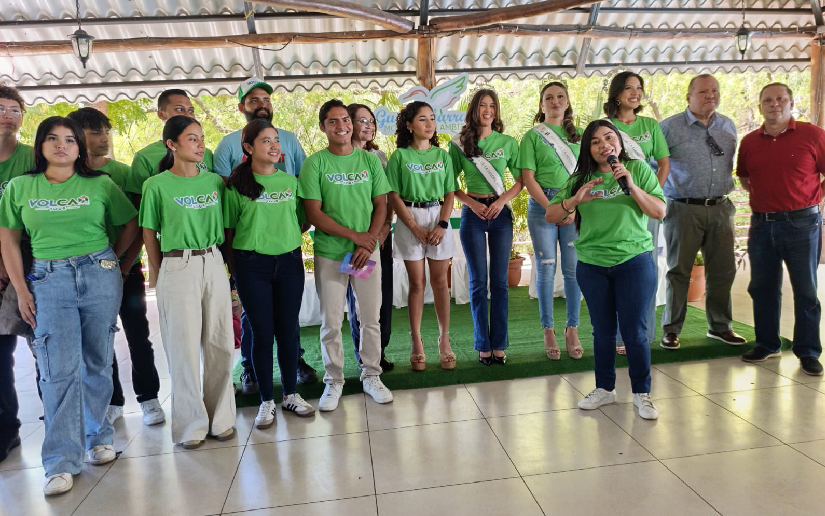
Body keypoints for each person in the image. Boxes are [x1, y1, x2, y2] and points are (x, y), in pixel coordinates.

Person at [0, 116, 138, 494]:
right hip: (48, 280)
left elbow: (130, 223)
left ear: (79, 147)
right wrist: (22, 290)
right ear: (40, 145)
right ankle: (61, 460)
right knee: (57, 368)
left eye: (69, 140)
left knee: (97, 359)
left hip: (98, 274)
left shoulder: (101, 184)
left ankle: (99, 436)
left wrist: (114, 263)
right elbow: (8, 239)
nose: (61, 145)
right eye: (52, 138)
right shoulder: (21, 186)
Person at [545, 119, 666, 420]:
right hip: (593, 265)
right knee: (602, 331)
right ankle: (605, 388)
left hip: (634, 261)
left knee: (634, 331)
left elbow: (659, 211)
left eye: (609, 138)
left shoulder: (637, 170)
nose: (604, 145)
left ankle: (641, 392)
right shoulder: (581, 178)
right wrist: (575, 199)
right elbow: (551, 214)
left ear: (620, 143)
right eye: (596, 141)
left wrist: (631, 186)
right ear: (588, 149)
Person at [139, 116, 237, 449]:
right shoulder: (156, 185)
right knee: (182, 348)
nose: (200, 145)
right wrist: (160, 271)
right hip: (177, 264)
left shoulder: (214, 182)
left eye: (202, 138)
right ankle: (191, 424)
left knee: (220, 342)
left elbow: (228, 225)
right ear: (172, 144)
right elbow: (149, 232)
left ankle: (221, 417)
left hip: (213, 261)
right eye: (192, 139)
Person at [213, 78, 316, 391]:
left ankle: (293, 367)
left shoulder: (290, 143)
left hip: (287, 254)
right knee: (256, 323)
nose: (262, 104)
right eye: (254, 99)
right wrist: (234, 263)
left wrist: (285, 230)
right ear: (241, 106)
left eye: (266, 99)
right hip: (249, 257)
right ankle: (251, 371)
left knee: (287, 321)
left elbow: (301, 195)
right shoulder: (228, 146)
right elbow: (228, 209)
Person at [66, 107, 166, 426]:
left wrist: (121, 265)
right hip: (86, 274)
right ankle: (112, 401)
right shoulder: (66, 176)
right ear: (76, 136)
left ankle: (149, 398)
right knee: (98, 340)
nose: (104, 138)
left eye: (106, 131)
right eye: (95, 131)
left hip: (127, 271)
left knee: (138, 334)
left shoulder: (123, 173)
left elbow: (139, 224)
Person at [297, 99, 394, 411]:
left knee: (369, 317)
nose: (342, 126)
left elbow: (381, 205)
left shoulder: (369, 161)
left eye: (345, 120)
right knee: (331, 320)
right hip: (331, 253)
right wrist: (356, 238)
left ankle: (371, 375)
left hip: (364, 255)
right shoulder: (315, 164)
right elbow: (314, 213)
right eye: (333, 121)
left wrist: (368, 244)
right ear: (323, 127)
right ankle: (334, 380)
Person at [737, 83, 825, 377]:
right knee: (762, 287)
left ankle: (808, 351)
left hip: (803, 224)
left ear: (791, 103)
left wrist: (814, 197)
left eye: (780, 99)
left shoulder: (813, 135)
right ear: (760, 105)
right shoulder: (749, 141)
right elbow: (745, 179)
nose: (774, 104)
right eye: (768, 100)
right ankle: (767, 344)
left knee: (806, 290)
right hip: (762, 224)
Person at [659, 75, 746, 350]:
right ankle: (671, 329)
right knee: (679, 271)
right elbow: (651, 167)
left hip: (721, 208)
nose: (711, 96)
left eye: (715, 91)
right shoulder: (669, 128)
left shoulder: (728, 125)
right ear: (688, 96)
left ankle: (720, 327)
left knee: (723, 271)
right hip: (682, 209)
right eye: (703, 92)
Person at [449, 89, 521, 365]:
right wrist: (472, 203)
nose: (488, 110)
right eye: (482, 105)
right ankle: (482, 344)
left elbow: (520, 181)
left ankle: (499, 343)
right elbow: (450, 185)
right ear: (474, 110)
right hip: (473, 214)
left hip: (500, 214)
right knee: (478, 282)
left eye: (492, 105)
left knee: (500, 283)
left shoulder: (507, 142)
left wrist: (501, 201)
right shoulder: (459, 144)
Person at [386, 101, 457, 370]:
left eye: (432, 118)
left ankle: (444, 339)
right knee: (417, 284)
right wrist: (413, 226)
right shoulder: (399, 157)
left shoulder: (442, 156)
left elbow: (449, 193)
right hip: (409, 218)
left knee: (440, 283)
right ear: (409, 125)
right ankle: (416, 340)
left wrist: (442, 224)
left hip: (437, 216)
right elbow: (393, 195)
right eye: (422, 119)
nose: (429, 124)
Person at [604, 71, 670, 354]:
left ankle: (644, 333)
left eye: (639, 88)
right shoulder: (605, 126)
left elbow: (664, 164)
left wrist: (650, 197)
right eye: (629, 88)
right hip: (616, 206)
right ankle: (619, 336)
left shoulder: (650, 125)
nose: (635, 93)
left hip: (644, 204)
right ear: (617, 93)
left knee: (646, 268)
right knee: (618, 267)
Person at [519, 81, 584, 361]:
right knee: (546, 268)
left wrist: (572, 207)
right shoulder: (532, 137)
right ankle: (548, 330)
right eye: (549, 97)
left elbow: (586, 174)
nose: (555, 101)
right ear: (541, 104)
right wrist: (554, 209)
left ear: (567, 102)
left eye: (560, 96)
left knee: (573, 270)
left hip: (574, 205)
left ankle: (572, 329)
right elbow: (528, 179)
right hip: (542, 204)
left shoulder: (580, 136)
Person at [346, 103, 394, 372]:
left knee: (382, 297)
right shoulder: (339, 159)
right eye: (362, 121)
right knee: (359, 300)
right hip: (354, 241)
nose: (368, 126)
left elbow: (388, 199)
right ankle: (363, 355)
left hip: (381, 240)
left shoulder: (380, 157)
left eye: (371, 121)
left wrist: (384, 229)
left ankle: (379, 351)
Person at [0, 85, 34, 464]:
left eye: (15, 110)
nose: (8, 116)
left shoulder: (32, 158)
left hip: (32, 265)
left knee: (45, 349)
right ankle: (6, 429)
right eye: (1, 109)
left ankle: (59, 424)